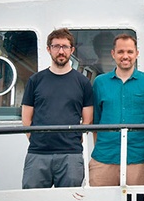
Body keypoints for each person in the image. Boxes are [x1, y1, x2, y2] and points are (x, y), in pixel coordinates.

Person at [21, 28, 93, 188]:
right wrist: (36, 140)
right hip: (37, 153)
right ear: (48, 49)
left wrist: (74, 139)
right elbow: (26, 119)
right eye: (56, 46)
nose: (61, 51)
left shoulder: (83, 83)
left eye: (65, 47)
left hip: (71, 154)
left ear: (72, 50)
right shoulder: (35, 80)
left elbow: (87, 120)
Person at [90, 34, 144, 186]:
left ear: (137, 53)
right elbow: (96, 121)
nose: (125, 56)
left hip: (136, 158)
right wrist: (102, 147)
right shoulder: (100, 82)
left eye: (129, 52)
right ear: (113, 54)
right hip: (104, 158)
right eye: (121, 52)